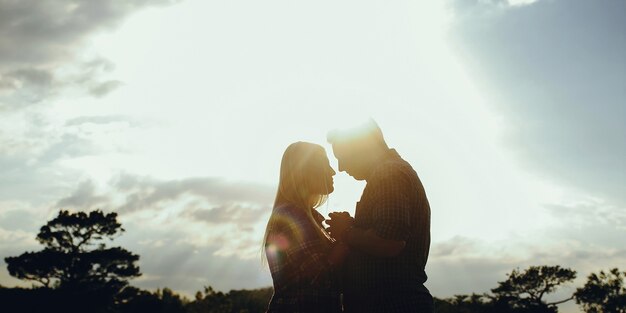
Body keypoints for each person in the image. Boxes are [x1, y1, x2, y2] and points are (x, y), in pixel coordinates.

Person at [326, 120, 434, 313]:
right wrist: (354, 226)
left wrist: (347, 232)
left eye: (342, 157)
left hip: (392, 304)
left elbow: (389, 242)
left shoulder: (388, 175)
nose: (341, 167)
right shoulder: (390, 172)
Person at [263, 141, 349, 313]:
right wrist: (347, 236)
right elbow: (322, 277)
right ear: (306, 172)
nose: (333, 172)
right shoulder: (293, 217)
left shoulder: (307, 218)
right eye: (325, 165)